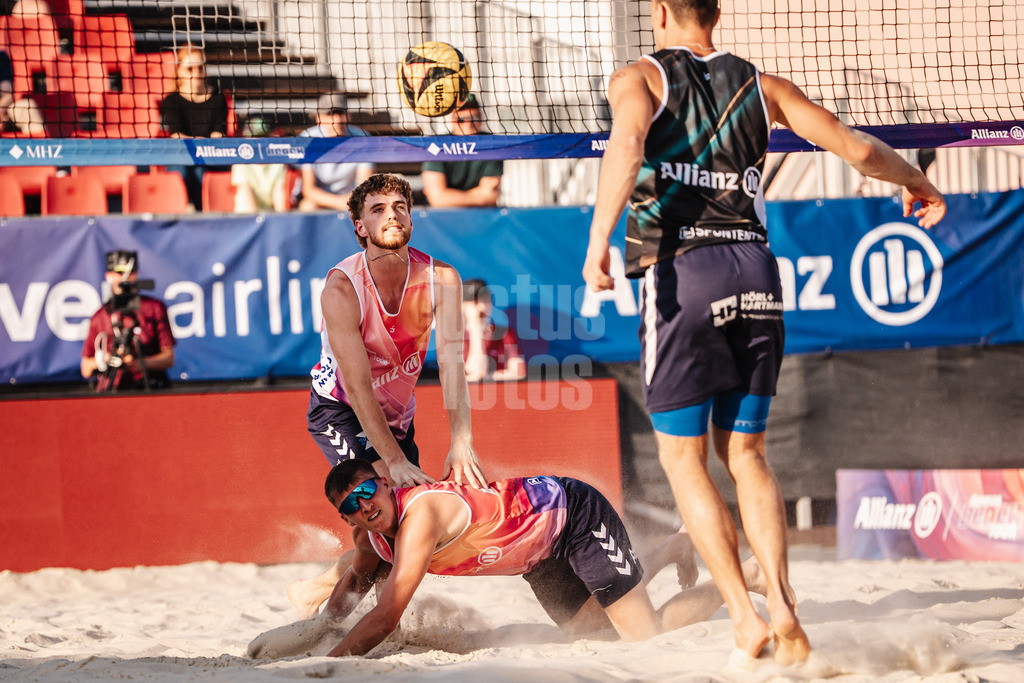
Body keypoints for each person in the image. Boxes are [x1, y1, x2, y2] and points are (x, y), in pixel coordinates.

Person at [580, 0, 947, 667]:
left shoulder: (637, 77)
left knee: (682, 460)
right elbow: (857, 148)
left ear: (659, 11)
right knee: (747, 456)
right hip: (755, 268)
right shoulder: (761, 84)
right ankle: (783, 602)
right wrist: (917, 178)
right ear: (716, 12)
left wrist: (598, 239)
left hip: (681, 273)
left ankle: (745, 615)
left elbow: (628, 146)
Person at [248, 458, 764, 659]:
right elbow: (348, 597)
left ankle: (745, 579)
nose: (365, 507)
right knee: (592, 635)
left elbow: (386, 616)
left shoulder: (419, 518)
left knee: (641, 634)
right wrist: (320, 631)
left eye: (367, 492)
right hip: (535, 558)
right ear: (350, 521)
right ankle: (670, 548)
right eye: (352, 508)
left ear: (383, 483)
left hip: (573, 517)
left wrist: (330, 667)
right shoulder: (372, 541)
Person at [289, 173, 487, 618]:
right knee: (384, 518)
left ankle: (316, 593)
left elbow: (453, 364)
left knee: (396, 531)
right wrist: (393, 462)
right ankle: (333, 620)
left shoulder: (441, 279)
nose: (391, 215)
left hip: (396, 418)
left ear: (412, 218)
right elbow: (358, 389)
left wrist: (461, 440)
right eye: (377, 209)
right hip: (339, 411)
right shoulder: (342, 288)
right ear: (360, 226)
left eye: (399, 206)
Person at [80, 250, 176, 392]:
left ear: (136, 275)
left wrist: (138, 363)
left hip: (148, 387)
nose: (124, 278)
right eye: (119, 273)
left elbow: (169, 358)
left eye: (130, 273)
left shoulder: (153, 308)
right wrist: (105, 360)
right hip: (111, 390)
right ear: (109, 276)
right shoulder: (101, 316)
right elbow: (85, 368)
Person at [160, 45, 230, 210]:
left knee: (203, 171)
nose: (196, 73)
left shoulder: (218, 99)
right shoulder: (172, 100)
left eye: (200, 67)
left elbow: (219, 132)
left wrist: (204, 147)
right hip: (183, 154)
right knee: (183, 171)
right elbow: (176, 134)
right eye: (190, 69)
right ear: (179, 72)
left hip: (211, 154)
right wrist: (196, 144)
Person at [295, 92, 374, 211]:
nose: (336, 120)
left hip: (352, 197)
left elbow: (365, 185)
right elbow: (308, 189)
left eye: (340, 113)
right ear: (319, 119)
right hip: (320, 199)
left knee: (367, 205)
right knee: (308, 206)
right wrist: (338, 202)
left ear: (349, 116)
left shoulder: (362, 138)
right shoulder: (307, 139)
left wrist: (351, 200)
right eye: (330, 114)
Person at [420, 94, 503, 207]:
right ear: (452, 121)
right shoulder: (437, 146)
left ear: (481, 120)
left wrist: (449, 197)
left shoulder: (491, 144)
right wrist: (479, 197)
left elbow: (490, 196)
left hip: (482, 215)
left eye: (473, 118)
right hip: (443, 216)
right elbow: (437, 198)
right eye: (461, 120)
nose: (468, 124)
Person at [462, 278, 526, 382]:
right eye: (475, 303)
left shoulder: (504, 333)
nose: (482, 307)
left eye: (485, 300)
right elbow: (476, 371)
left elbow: (519, 371)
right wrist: (476, 329)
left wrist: (487, 377)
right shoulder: (454, 337)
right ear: (462, 306)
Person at [231, 117, 290, 213]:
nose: (259, 140)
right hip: (247, 216)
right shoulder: (241, 161)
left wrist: (280, 220)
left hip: (270, 214)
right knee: (243, 197)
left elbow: (279, 193)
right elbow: (246, 193)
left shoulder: (278, 161)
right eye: (255, 137)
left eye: (263, 136)